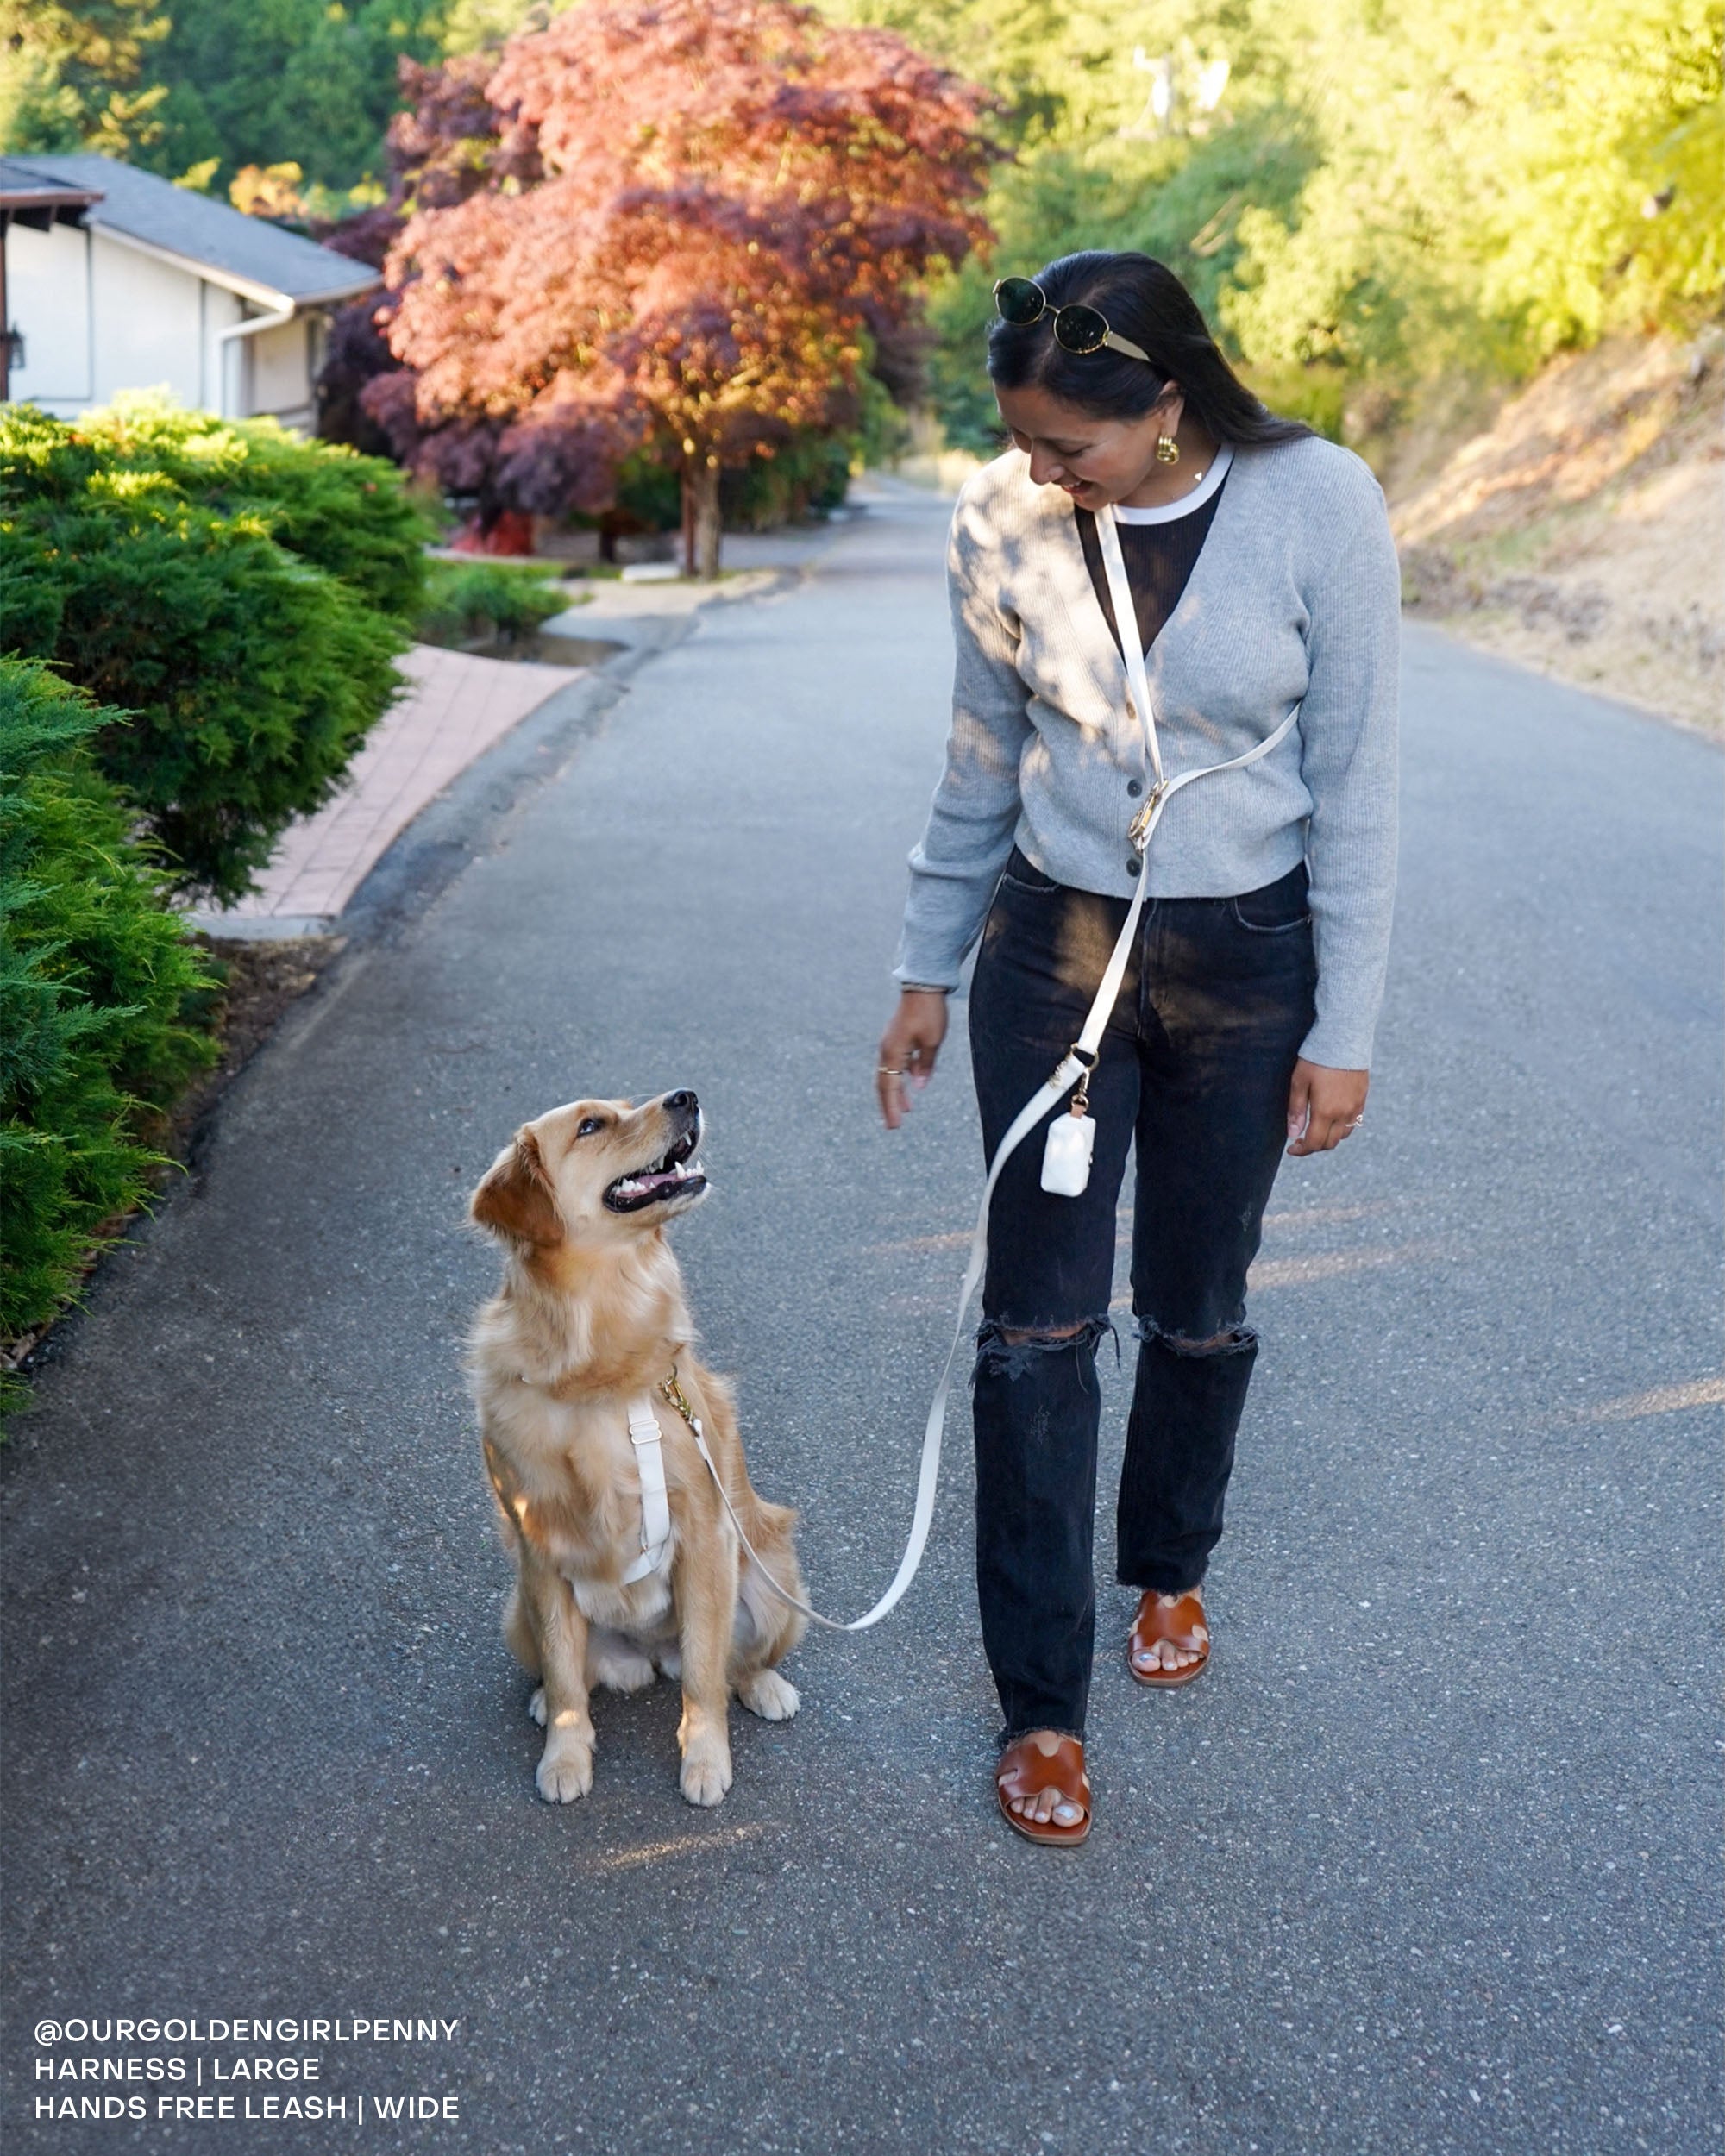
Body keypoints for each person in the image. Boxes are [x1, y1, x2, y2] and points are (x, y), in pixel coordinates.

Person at [875, 251, 1399, 1846]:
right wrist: (925, 967)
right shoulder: (999, 516)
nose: (1039, 473)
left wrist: (1348, 1028)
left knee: (1195, 1305)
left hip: (1249, 958)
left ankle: (1169, 1564)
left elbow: (1359, 781)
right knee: (1036, 1333)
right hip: (1054, 956)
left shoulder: (1320, 503)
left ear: (1167, 404)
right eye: (1021, 442)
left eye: (1068, 446)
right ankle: (1041, 1707)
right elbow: (979, 756)